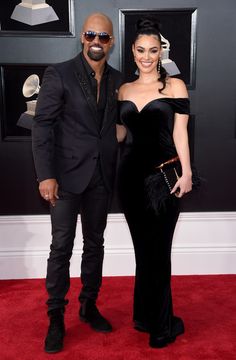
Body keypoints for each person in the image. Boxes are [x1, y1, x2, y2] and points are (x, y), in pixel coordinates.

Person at [32, 12, 123, 353]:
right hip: (65, 177)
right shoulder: (59, 73)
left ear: (111, 42)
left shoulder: (117, 80)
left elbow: (114, 125)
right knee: (61, 247)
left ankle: (88, 305)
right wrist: (46, 175)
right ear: (82, 38)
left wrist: (120, 134)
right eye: (90, 35)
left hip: (101, 176)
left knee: (95, 245)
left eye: (103, 37)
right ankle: (56, 316)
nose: (96, 41)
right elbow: (42, 126)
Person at [116, 18, 193, 348]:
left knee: (159, 252)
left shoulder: (174, 86)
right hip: (130, 179)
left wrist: (187, 173)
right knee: (143, 251)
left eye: (153, 50)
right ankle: (146, 316)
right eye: (141, 50)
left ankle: (162, 325)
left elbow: (180, 132)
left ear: (161, 51)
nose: (147, 56)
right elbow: (120, 134)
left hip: (164, 178)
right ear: (132, 51)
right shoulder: (123, 90)